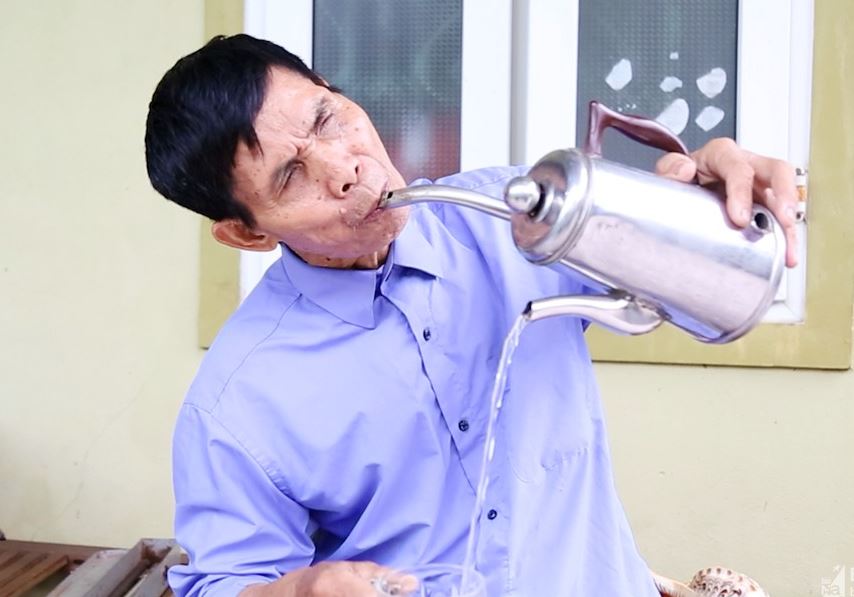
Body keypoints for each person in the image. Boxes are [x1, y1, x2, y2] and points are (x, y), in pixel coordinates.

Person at [144, 34, 799, 597]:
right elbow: (222, 583)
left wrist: (707, 205)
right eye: (290, 175)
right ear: (246, 234)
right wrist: (300, 589)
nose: (344, 168)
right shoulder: (236, 404)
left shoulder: (519, 218)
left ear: (340, 95)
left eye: (327, 119)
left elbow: (719, 289)